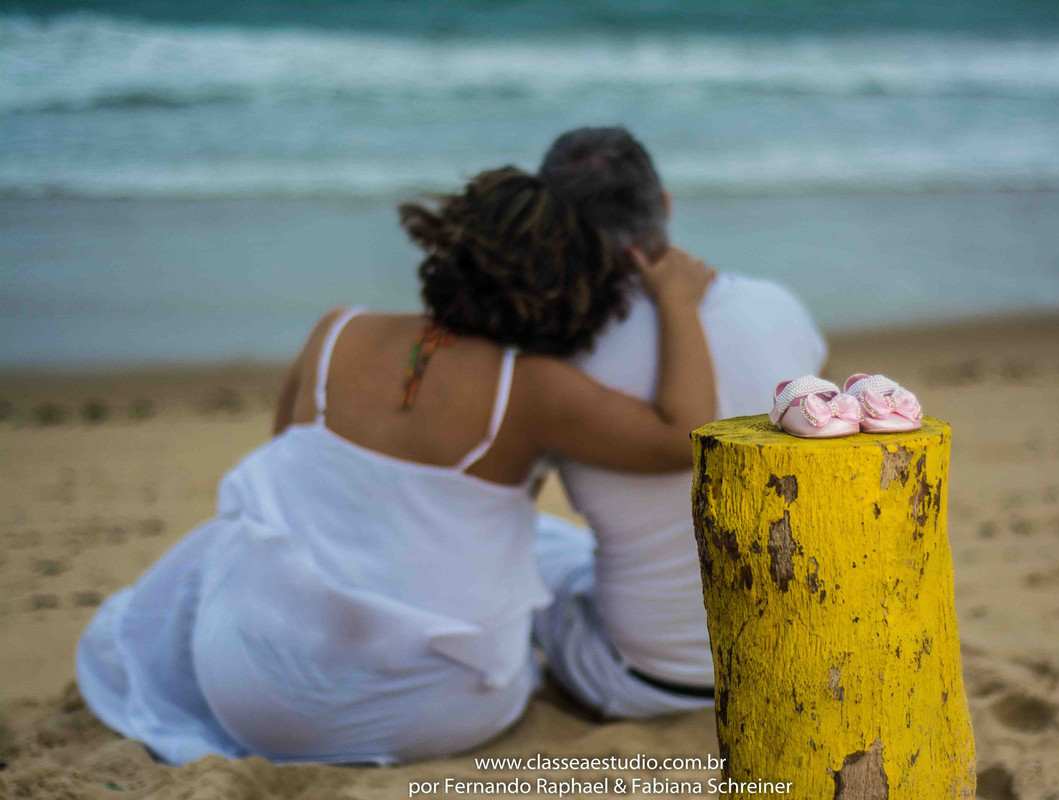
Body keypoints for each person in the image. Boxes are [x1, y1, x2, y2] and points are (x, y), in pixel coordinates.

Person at [75, 167, 717, 765]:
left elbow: (291, 492)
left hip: (253, 697)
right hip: (436, 714)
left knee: (239, 544)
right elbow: (684, 434)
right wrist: (677, 302)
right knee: (548, 554)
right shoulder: (532, 389)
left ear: (447, 248)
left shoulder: (335, 333)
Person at [532, 128, 827, 718]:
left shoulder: (562, 354)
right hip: (787, 665)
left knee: (535, 545)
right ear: (664, 204)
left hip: (651, 681)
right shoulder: (778, 307)